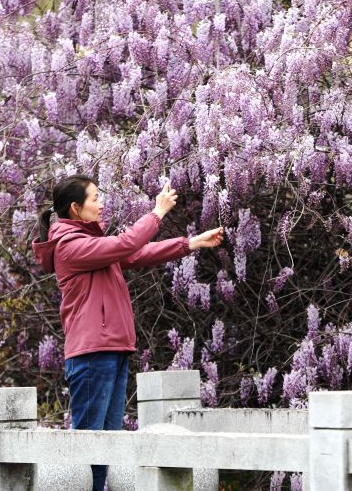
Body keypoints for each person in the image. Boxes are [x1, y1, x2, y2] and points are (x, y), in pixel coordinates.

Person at [32, 174, 223, 491]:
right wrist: (156, 213)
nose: (101, 202)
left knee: (111, 444)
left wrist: (190, 243)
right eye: (95, 198)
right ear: (76, 208)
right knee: (91, 445)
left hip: (114, 348)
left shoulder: (90, 242)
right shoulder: (70, 245)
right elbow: (127, 244)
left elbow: (136, 253)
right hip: (93, 351)